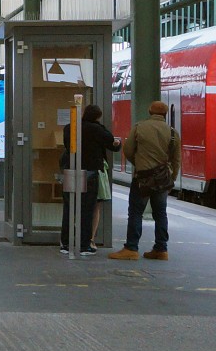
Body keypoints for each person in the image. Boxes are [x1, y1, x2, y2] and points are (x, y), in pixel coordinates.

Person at [110, 100, 181, 261]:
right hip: (163, 179)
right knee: (160, 213)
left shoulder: (139, 127)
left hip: (142, 177)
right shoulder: (172, 133)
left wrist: (139, 163)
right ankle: (161, 249)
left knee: (135, 212)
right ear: (165, 114)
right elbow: (176, 160)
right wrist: (172, 179)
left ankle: (131, 248)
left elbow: (127, 150)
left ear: (150, 112)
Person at [59, 104, 121, 256]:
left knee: (69, 208)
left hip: (72, 170)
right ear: (97, 117)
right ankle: (84, 245)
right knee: (87, 208)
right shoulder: (97, 129)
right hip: (90, 171)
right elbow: (111, 142)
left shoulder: (69, 127)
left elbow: (68, 146)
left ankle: (65, 243)